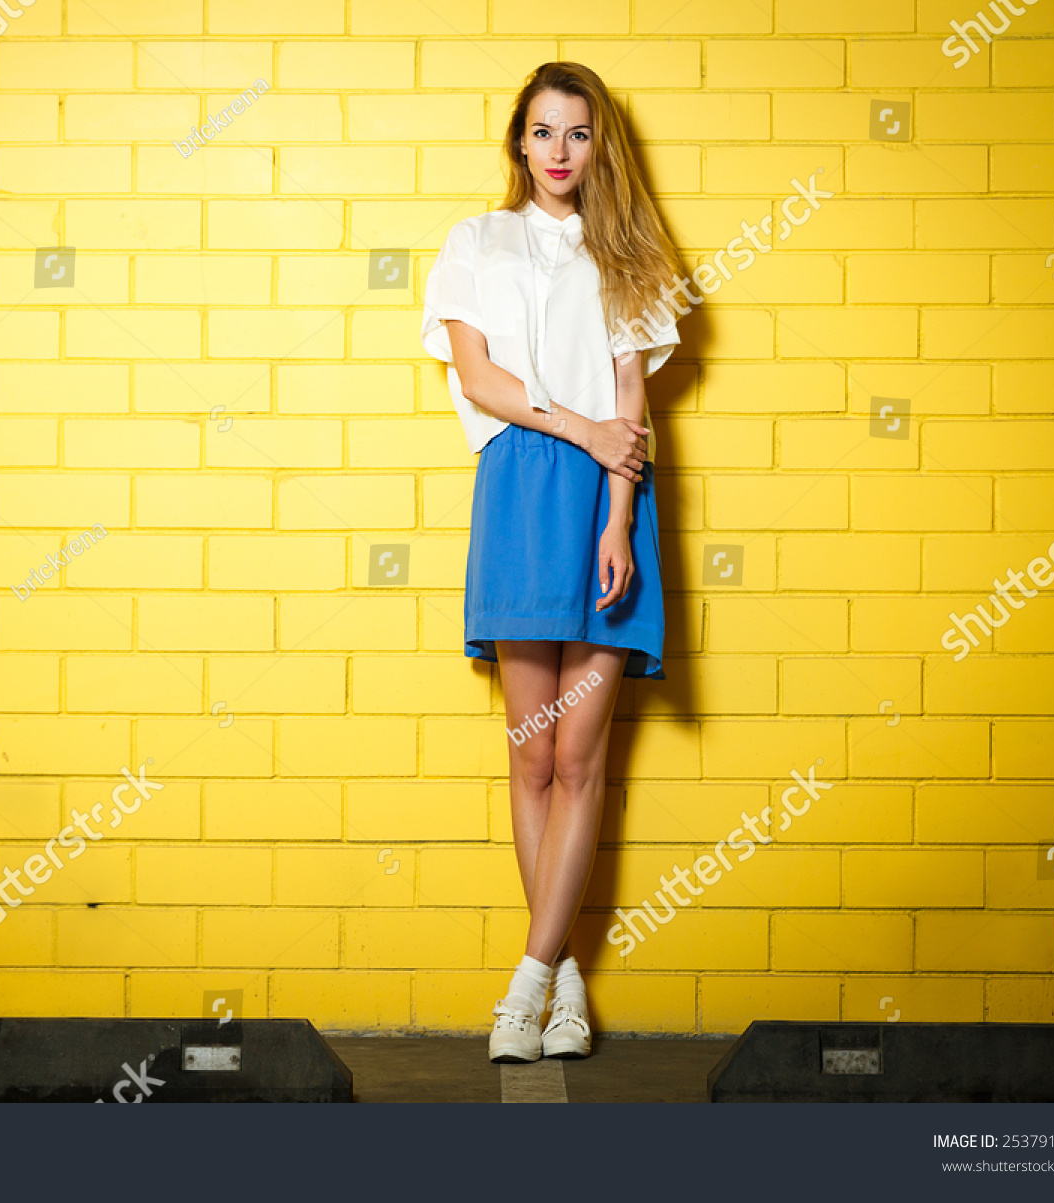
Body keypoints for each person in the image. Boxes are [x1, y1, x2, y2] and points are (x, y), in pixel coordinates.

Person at [421, 61, 683, 1063]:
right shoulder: (475, 242)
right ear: (518, 142)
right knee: (531, 755)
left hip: (607, 494)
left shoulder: (628, 252)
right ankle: (565, 982)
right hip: (523, 485)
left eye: (578, 133)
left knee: (581, 758)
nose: (561, 152)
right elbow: (482, 377)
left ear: (597, 143)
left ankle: (526, 983)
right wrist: (580, 430)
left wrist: (619, 520)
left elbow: (634, 409)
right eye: (543, 133)